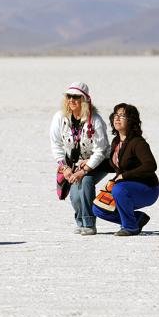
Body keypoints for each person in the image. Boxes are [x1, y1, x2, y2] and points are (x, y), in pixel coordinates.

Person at [48, 81, 110, 235]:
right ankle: (80, 221)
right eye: (69, 96)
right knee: (75, 195)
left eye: (76, 97)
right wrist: (65, 167)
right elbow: (56, 144)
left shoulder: (95, 120)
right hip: (74, 163)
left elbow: (100, 150)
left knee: (86, 181)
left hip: (98, 161)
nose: (72, 100)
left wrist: (84, 170)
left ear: (84, 100)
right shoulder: (60, 117)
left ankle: (89, 224)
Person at [105, 103, 159, 236]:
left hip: (146, 188)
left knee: (118, 190)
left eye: (122, 115)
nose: (117, 118)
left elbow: (151, 165)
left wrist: (124, 176)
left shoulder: (138, 142)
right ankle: (137, 219)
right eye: (116, 115)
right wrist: (87, 167)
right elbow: (114, 165)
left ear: (131, 121)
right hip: (124, 187)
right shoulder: (116, 142)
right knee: (99, 208)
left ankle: (130, 227)